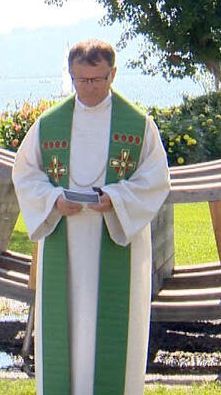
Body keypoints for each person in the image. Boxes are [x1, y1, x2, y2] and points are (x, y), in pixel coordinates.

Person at [12, 39, 170, 395]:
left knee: (112, 335)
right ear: (70, 76)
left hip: (116, 245)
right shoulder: (49, 125)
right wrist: (53, 200)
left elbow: (156, 179)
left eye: (98, 79)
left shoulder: (138, 125)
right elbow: (24, 174)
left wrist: (115, 199)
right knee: (67, 332)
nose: (89, 88)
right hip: (64, 245)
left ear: (113, 74)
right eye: (81, 80)